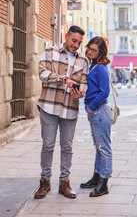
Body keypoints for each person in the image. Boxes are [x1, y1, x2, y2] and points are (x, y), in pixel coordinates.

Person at [35, 26, 88, 199]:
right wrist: (64, 79)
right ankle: (45, 181)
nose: (76, 45)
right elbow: (42, 73)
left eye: (79, 42)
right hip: (49, 106)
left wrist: (80, 92)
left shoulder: (83, 61)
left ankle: (64, 183)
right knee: (48, 145)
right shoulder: (50, 52)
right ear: (66, 36)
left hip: (70, 108)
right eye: (74, 40)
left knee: (67, 147)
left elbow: (84, 84)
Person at [79, 36, 113, 197]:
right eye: (89, 48)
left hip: (100, 110)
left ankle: (104, 183)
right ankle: (96, 177)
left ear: (101, 52)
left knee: (104, 148)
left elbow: (104, 91)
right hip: (94, 111)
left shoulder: (101, 68)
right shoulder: (93, 65)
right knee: (98, 146)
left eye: (93, 50)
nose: (89, 52)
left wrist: (91, 107)